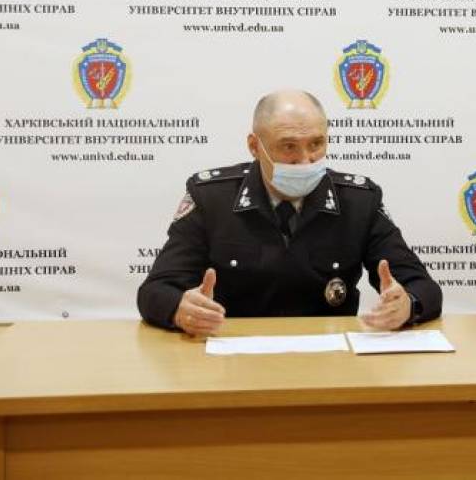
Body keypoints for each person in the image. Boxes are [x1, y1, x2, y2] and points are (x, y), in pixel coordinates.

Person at [137, 89, 442, 335]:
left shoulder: (358, 201)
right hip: (233, 363)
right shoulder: (211, 198)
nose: (306, 160)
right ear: (255, 146)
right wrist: (180, 309)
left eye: (316, 144)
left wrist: (408, 304)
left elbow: (423, 287)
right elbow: (155, 290)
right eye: (288, 147)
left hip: (331, 363)